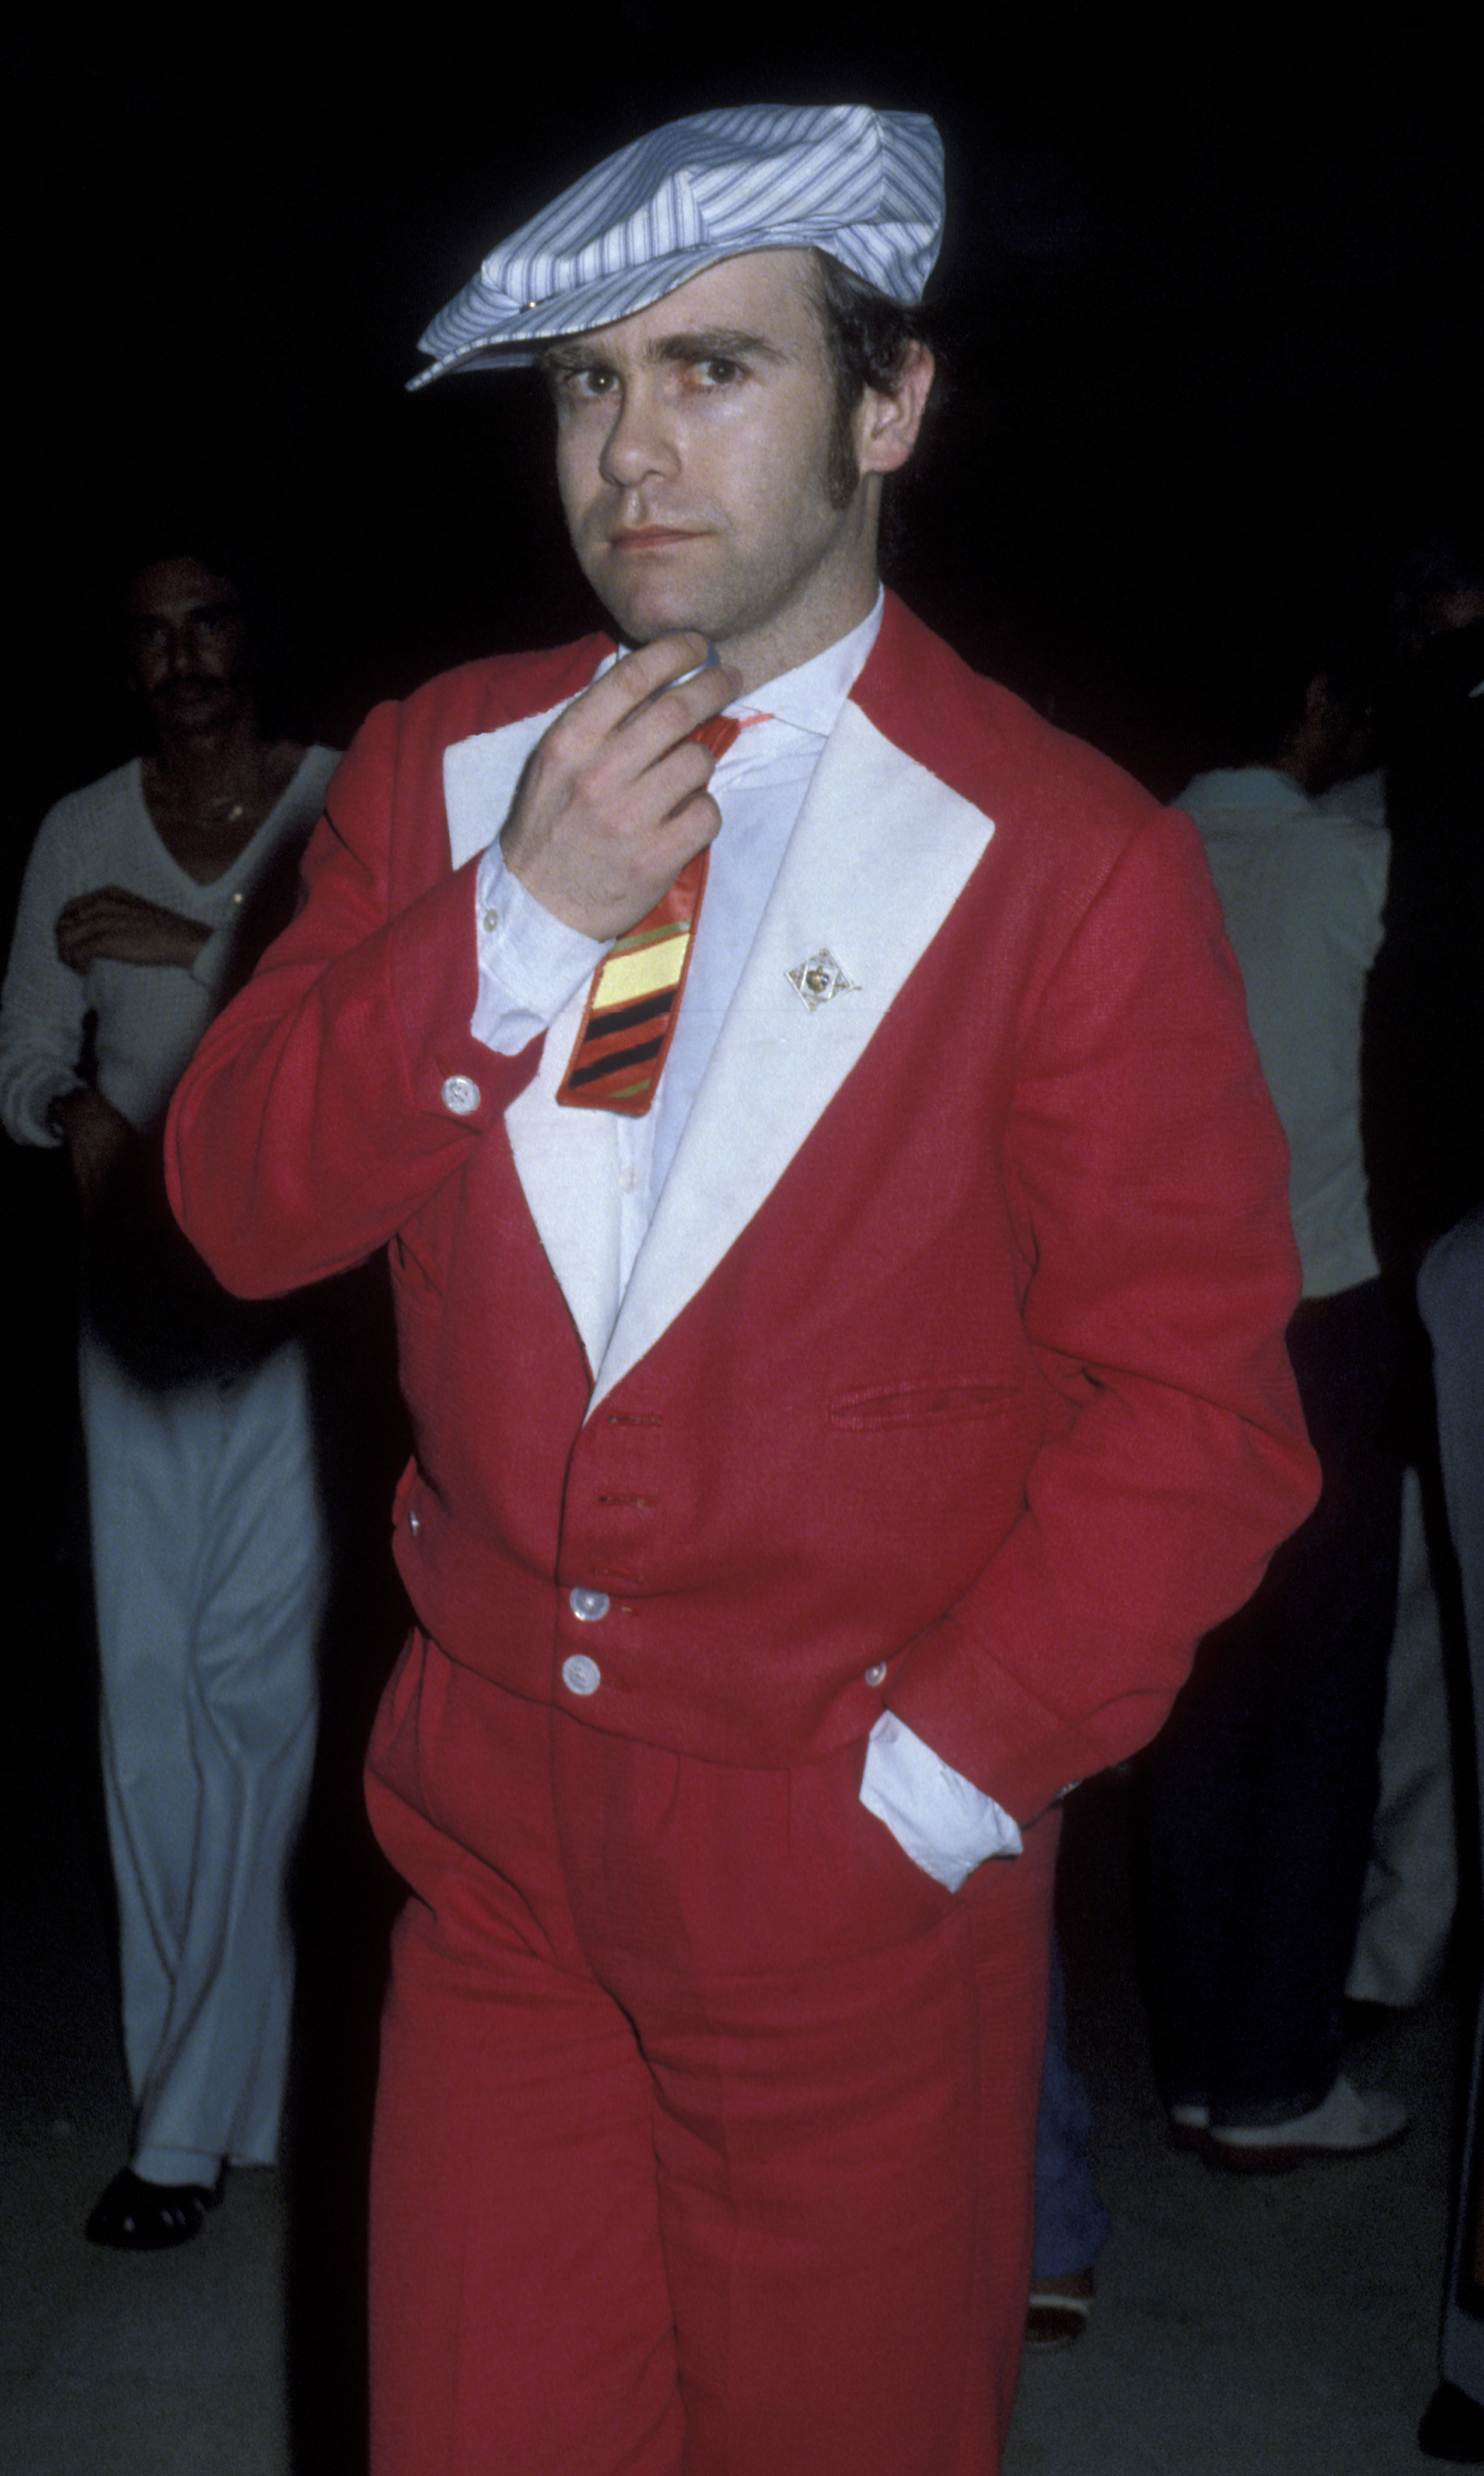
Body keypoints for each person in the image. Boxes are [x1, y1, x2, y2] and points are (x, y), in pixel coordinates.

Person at [166, 105, 1316, 2476]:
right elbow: (235, 1205)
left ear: (886, 408)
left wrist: (932, 1780)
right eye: (586, 386)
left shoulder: (1066, 862)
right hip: (487, 1836)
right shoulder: (441, 762)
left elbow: (1197, 1416)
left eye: (710, 370)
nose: (629, 453)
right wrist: (519, 916)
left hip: (839, 1867)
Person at [0, 544, 338, 2247]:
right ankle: (207, 2089)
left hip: (299, 1308)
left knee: (258, 1694)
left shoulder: (347, 800)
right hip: (131, 1303)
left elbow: (373, 1028)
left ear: (255, 633)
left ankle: (188, 2132)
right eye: (147, 635)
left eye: (208, 620)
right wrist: (73, 1116)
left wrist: (193, 937)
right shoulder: (75, 825)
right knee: (147, 1699)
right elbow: (20, 1062)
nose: (181, 658)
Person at [1141, 647, 1410, 2167]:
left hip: (1160, 1328)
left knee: (1186, 1700)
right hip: (1321, 1321)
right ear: (1313, 704)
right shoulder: (1356, 868)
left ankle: (1191, 2060)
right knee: (1316, 1714)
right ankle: (1274, 2078)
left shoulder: (1131, 852)